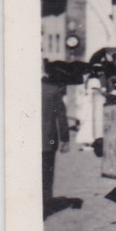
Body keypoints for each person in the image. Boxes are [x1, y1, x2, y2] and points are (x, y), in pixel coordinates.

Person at [42, 61, 70, 217]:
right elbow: (62, 117)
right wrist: (65, 139)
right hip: (49, 141)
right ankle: (45, 205)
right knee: (47, 173)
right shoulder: (53, 91)